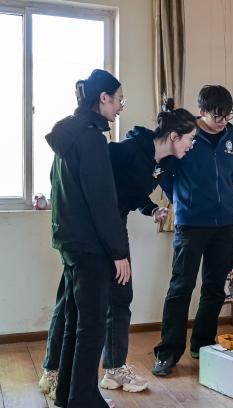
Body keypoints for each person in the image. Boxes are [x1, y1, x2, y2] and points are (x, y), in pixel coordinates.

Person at [39, 97, 198, 400]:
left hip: (114, 226)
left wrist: (151, 209)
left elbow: (131, 191)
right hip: (92, 229)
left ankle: (113, 368)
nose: (192, 145)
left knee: (121, 296)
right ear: (174, 136)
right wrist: (111, 246)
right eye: (190, 139)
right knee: (71, 301)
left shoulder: (164, 163)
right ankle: (53, 369)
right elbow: (92, 179)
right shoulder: (127, 149)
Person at [44, 69, 130, 407]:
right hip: (90, 247)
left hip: (68, 242)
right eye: (119, 99)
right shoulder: (92, 139)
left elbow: (57, 186)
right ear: (103, 98)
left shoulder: (68, 134)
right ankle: (83, 399)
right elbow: (102, 200)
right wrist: (118, 251)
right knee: (92, 326)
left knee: (75, 322)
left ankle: (68, 394)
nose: (120, 105)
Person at [152, 85, 233, 376]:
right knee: (181, 288)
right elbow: (166, 175)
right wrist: (183, 199)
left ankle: (202, 345)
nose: (223, 121)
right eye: (218, 116)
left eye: (228, 115)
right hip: (190, 224)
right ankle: (168, 352)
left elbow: (232, 174)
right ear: (201, 112)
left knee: (215, 289)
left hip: (224, 224)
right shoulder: (185, 135)